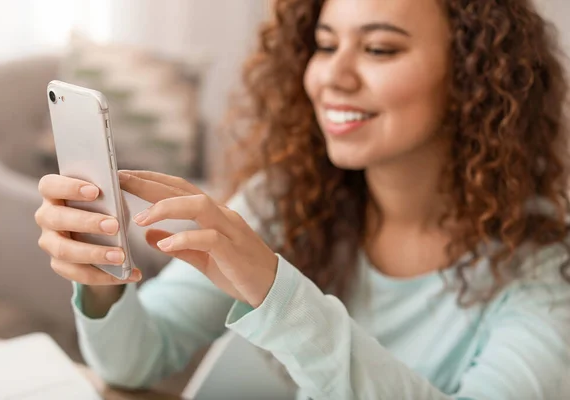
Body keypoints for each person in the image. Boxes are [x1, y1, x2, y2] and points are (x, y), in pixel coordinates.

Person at [34, 0, 570, 398]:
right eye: (326, 44)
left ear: (472, 76)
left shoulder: (546, 272)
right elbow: (134, 361)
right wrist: (98, 276)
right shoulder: (285, 200)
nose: (333, 76)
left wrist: (277, 294)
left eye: (380, 48)